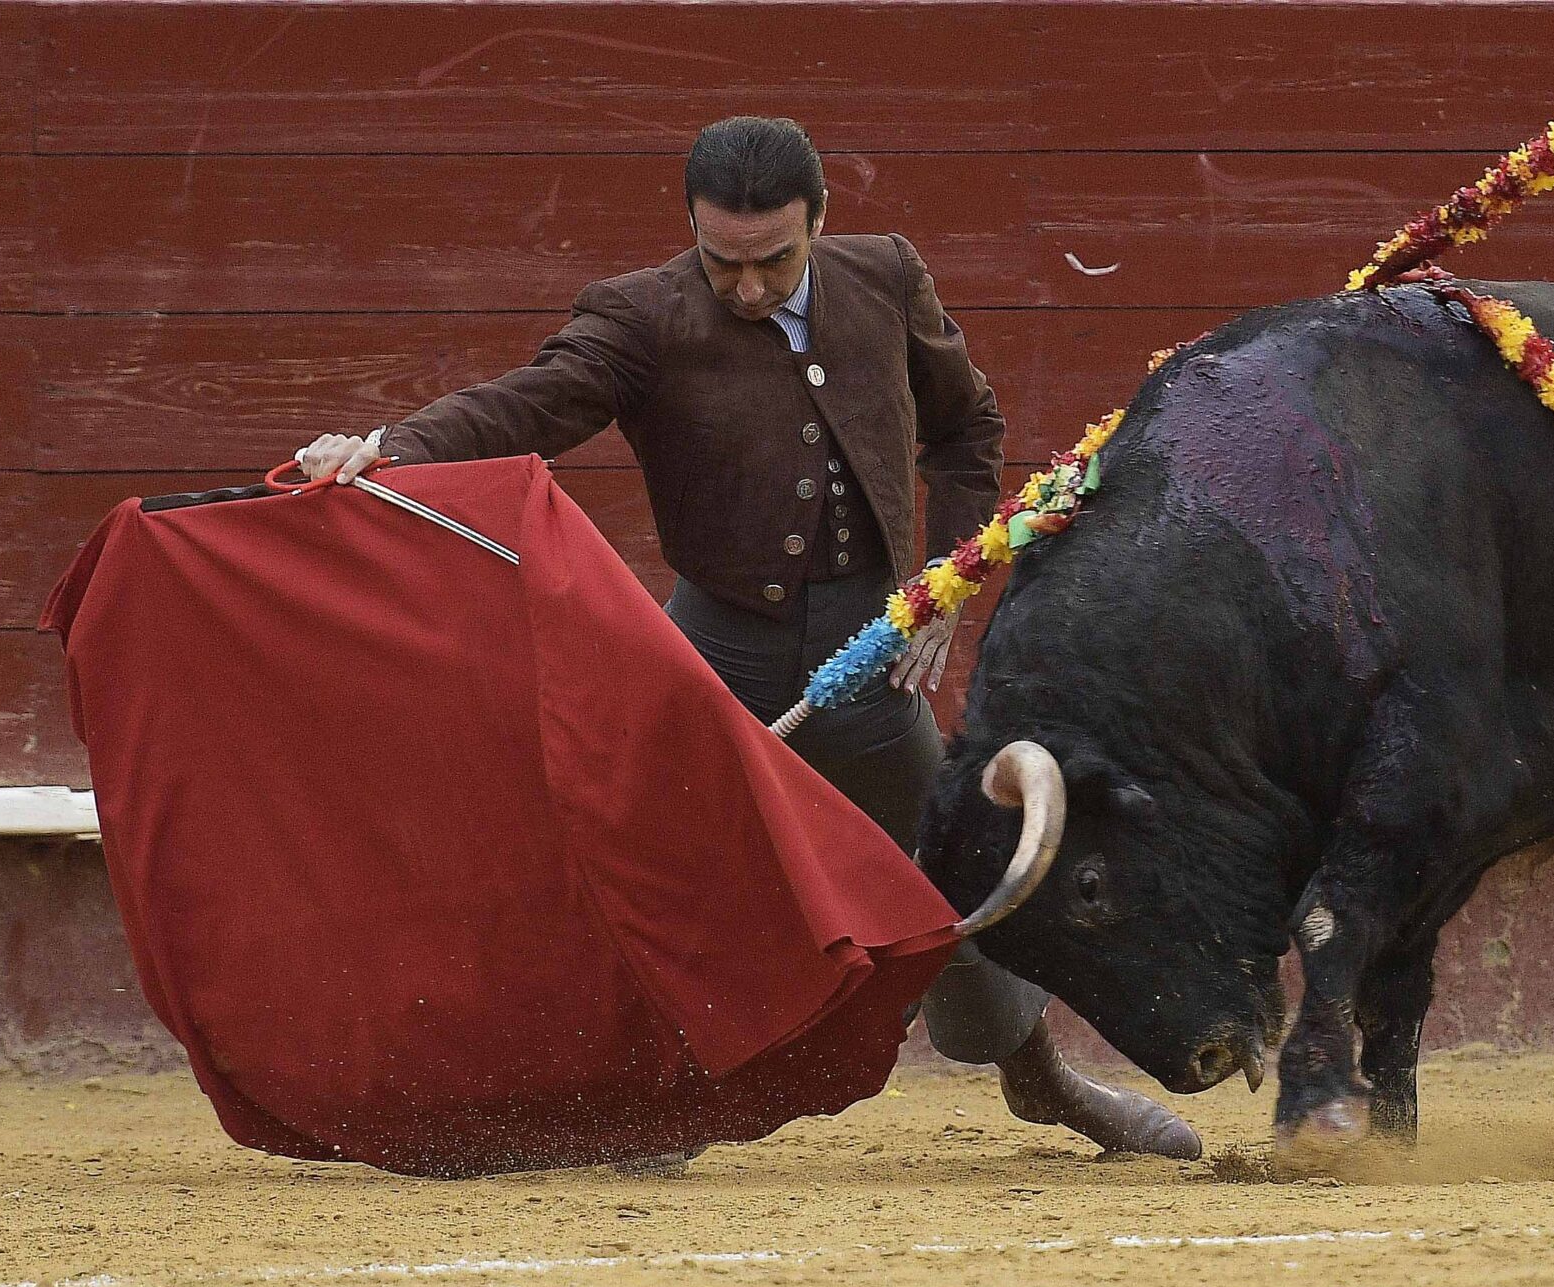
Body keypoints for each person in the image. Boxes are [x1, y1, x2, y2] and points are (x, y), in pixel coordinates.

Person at [293, 116, 1200, 1165]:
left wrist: (945, 581)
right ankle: (659, 1099)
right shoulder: (642, 315)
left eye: (774, 259)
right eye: (724, 262)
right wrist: (393, 448)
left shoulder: (886, 279)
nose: (751, 286)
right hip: (716, 647)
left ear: (819, 222)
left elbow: (964, 430)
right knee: (648, 859)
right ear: (692, 229)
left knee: (942, 865)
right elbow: (526, 405)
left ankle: (1040, 1078)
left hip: (870, 644)